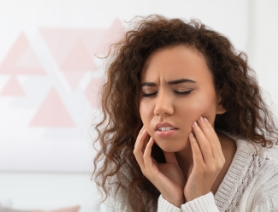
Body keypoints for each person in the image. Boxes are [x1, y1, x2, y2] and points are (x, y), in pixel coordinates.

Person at [92, 15, 278, 212]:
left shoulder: (269, 179)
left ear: (222, 99)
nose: (161, 107)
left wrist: (198, 200)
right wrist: (171, 200)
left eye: (183, 91)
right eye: (149, 93)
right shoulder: (125, 175)